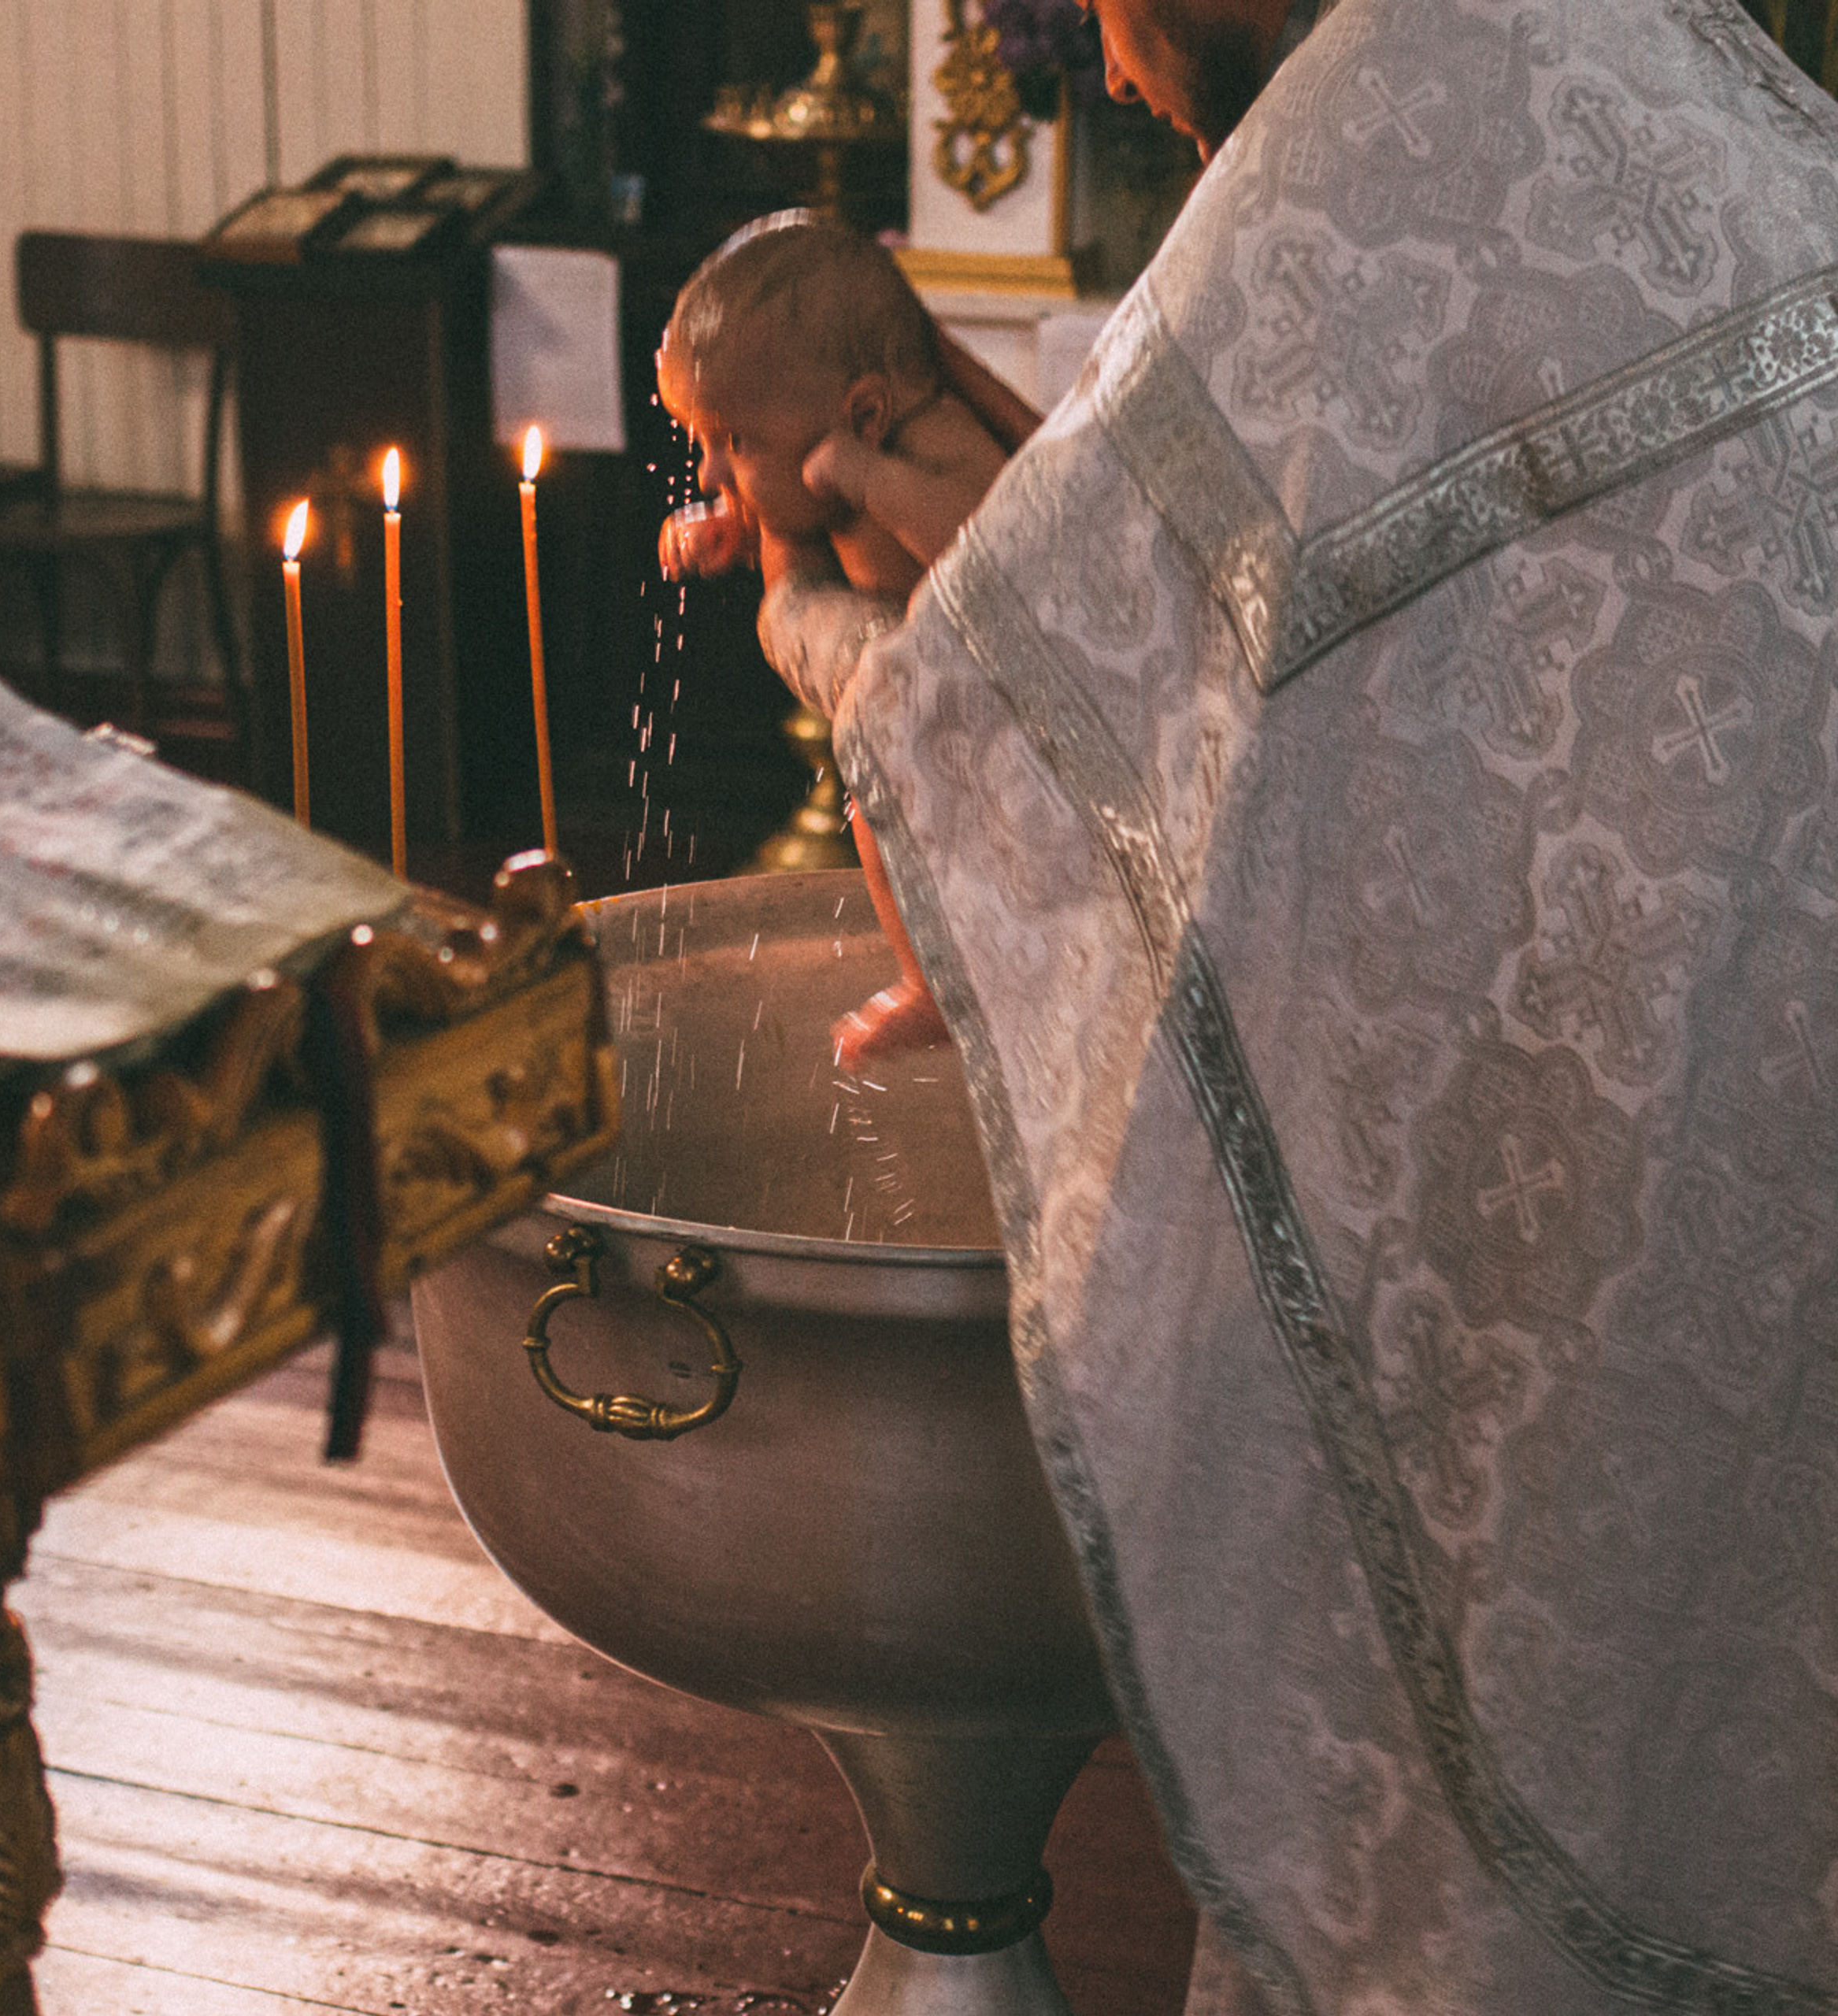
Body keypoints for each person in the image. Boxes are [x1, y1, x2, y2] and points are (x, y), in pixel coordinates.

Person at [756, 0, 1838, 2011]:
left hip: (1628, 1154)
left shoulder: (1363, 129)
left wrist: (825, 637)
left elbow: (1011, 696)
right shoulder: (1650, 62)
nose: (1101, 52)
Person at [655, 214, 1021, 1058]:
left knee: (964, 855)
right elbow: (785, 506)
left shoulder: (936, 444)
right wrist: (725, 529)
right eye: (704, 443)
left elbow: (997, 552)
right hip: (903, 708)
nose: (712, 468)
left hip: (990, 702)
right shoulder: (812, 445)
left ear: (863, 414)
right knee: (877, 815)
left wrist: (875, 480)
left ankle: (946, 983)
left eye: (733, 443)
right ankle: (930, 979)